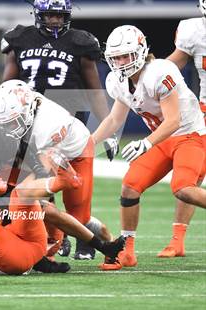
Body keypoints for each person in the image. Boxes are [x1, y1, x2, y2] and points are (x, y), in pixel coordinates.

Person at [1, 0, 112, 259]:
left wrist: (109, 128)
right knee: (36, 188)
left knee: (77, 207)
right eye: (50, 15)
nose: (55, 21)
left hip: (68, 123)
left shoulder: (80, 41)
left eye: (60, 16)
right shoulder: (20, 38)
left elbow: (94, 89)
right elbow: (7, 83)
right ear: (39, 14)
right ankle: (55, 237)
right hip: (27, 123)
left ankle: (86, 235)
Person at [91, 25, 206, 269]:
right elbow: (114, 119)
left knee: (184, 188)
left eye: (126, 56)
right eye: (116, 57)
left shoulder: (160, 72)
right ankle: (127, 252)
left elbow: (173, 120)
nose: (121, 62)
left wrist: (146, 143)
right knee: (130, 187)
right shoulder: (117, 81)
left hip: (190, 135)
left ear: (141, 51)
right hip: (163, 139)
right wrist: (88, 144)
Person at [157, 0, 206, 258]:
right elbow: (174, 63)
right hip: (204, 113)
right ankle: (178, 240)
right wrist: (149, 73)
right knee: (191, 177)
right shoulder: (192, 30)